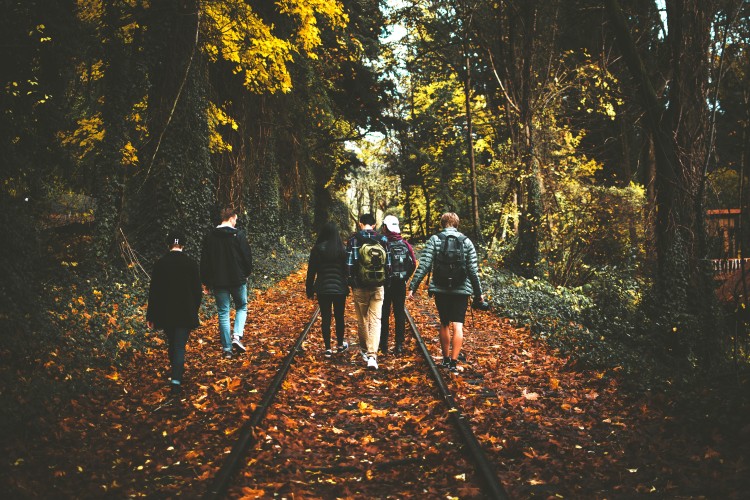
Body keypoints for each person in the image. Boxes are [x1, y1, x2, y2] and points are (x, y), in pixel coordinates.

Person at [407, 212, 487, 373]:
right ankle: (453, 361)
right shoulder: (466, 242)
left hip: (441, 288)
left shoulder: (435, 240)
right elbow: (472, 271)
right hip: (461, 290)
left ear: (443, 224)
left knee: (444, 323)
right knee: (458, 325)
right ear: (457, 224)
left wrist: (412, 287)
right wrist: (478, 294)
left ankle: (444, 358)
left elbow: (424, 265)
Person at [146, 232, 203, 395]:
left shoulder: (160, 264)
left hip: (166, 313)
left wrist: (151, 316)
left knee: (172, 342)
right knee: (179, 346)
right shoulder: (191, 264)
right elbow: (197, 291)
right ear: (183, 245)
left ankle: (175, 372)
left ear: (168, 244)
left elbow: (154, 291)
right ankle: (176, 381)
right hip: (185, 312)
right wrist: (194, 309)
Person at [200, 208, 253, 359]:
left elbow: (205, 261)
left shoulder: (210, 236)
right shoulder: (238, 235)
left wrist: (206, 281)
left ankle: (227, 349)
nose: (236, 222)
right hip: (237, 279)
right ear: (231, 218)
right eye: (235, 219)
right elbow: (246, 257)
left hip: (219, 281)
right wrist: (246, 273)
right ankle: (237, 336)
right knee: (242, 307)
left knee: (223, 312)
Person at [346, 213, 391, 370]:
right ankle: (373, 356)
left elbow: (349, 264)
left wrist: (351, 282)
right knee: (376, 320)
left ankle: (365, 352)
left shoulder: (354, 239)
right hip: (378, 285)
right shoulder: (383, 240)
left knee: (362, 320)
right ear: (375, 224)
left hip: (360, 286)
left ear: (360, 224)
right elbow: (388, 264)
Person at [305, 221, 350, 358]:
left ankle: (328, 348)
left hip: (323, 288)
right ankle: (340, 345)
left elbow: (311, 271)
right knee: (339, 317)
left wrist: (309, 289)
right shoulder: (342, 249)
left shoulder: (317, 249)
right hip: (339, 289)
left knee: (325, 317)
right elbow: (346, 270)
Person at [379, 215, 416, 356]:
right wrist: (405, 277)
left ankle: (383, 345)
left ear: (385, 227)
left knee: (384, 313)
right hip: (400, 284)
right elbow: (413, 263)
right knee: (399, 313)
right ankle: (399, 345)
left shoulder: (383, 243)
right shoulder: (405, 244)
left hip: (385, 284)